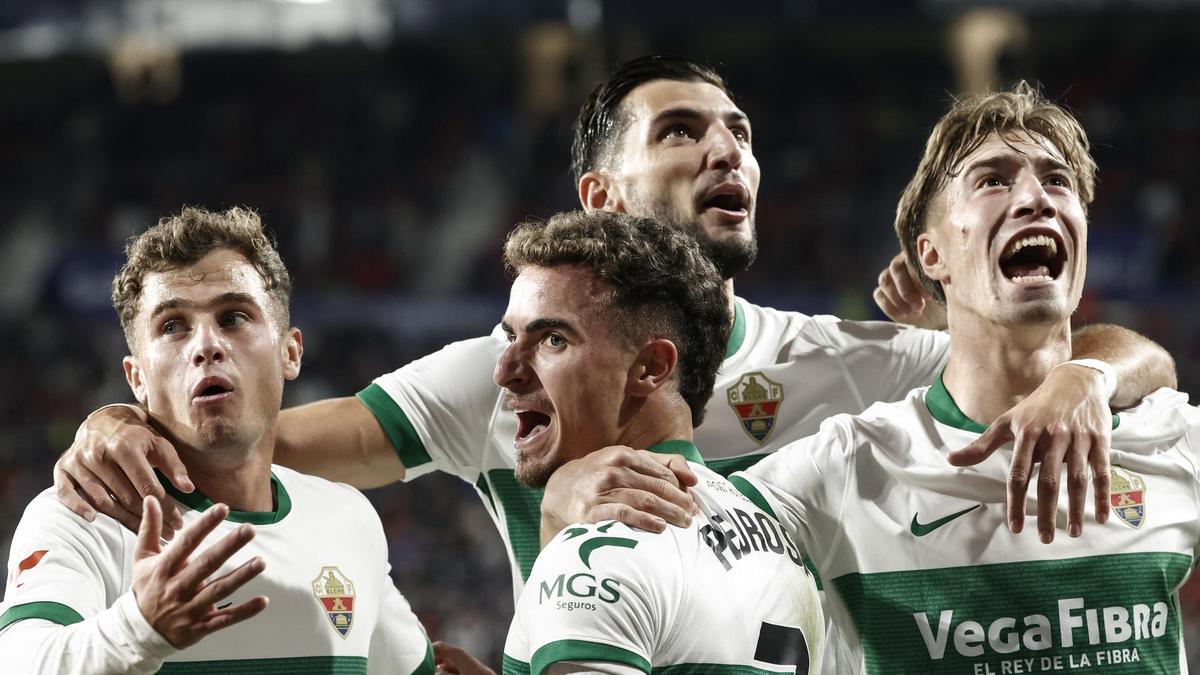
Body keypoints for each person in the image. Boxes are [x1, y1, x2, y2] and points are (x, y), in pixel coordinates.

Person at [54, 57, 1172, 597]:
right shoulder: (498, 374)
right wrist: (126, 420)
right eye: (682, 131)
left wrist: (1079, 379)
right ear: (600, 196)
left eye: (740, 132)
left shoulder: (854, 363)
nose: (728, 149)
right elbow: (254, 446)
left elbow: (1122, 360)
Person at [733, 82, 1196, 673]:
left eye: (1058, 181)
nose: (1036, 198)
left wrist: (1089, 373)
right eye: (993, 180)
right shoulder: (846, 467)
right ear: (931, 256)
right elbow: (676, 554)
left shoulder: (1173, 438)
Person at [0, 207, 433, 674]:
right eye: (172, 326)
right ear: (137, 378)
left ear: (290, 352)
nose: (206, 345)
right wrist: (138, 629)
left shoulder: (346, 517)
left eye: (233, 317)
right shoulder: (85, 513)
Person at [497, 210, 824, 674]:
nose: (504, 371)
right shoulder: (772, 536)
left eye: (552, 339)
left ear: (650, 367)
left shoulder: (599, 553)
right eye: (510, 337)